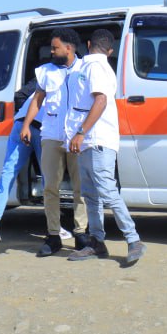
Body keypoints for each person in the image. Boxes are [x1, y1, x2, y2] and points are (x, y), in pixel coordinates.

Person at [66, 28, 146, 266]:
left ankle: (133, 240)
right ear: (110, 50)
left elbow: (100, 100)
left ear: (88, 43)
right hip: (91, 140)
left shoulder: (94, 67)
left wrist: (80, 132)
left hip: (96, 139)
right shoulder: (94, 67)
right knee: (91, 194)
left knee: (107, 191)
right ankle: (96, 241)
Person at [21, 30, 87, 256]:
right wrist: (26, 125)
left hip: (77, 137)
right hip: (51, 136)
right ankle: (53, 235)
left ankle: (81, 234)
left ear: (69, 48)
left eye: (55, 47)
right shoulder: (46, 72)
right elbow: (37, 101)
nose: (51, 51)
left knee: (81, 188)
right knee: (50, 188)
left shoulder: (85, 69)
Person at [0, 86, 43, 243]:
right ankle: (55, 226)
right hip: (42, 126)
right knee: (48, 177)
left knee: (8, 172)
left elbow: (19, 95)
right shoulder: (68, 76)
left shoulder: (41, 78)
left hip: (20, 123)